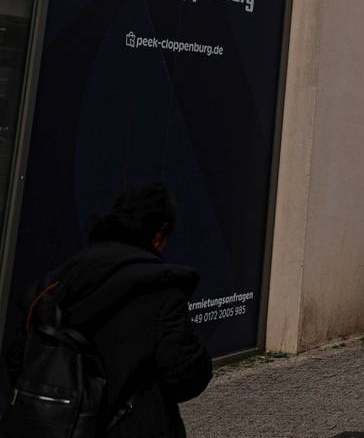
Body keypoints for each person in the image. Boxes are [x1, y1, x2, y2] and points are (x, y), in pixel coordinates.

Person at [7, 183, 211, 436]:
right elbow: (185, 376)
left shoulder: (62, 277)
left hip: (58, 427)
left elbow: (19, 356)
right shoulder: (163, 292)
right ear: (159, 236)